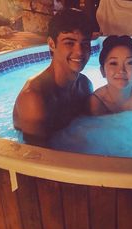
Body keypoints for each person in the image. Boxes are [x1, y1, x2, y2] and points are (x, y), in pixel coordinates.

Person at [13, 8, 93, 147]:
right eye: (69, 42)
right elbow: (36, 160)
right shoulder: (34, 98)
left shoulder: (85, 85)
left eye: (85, 44)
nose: (79, 51)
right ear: (51, 44)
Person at [89, 35, 132, 116]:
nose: (121, 70)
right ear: (102, 71)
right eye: (113, 63)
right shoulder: (96, 103)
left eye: (130, 63)